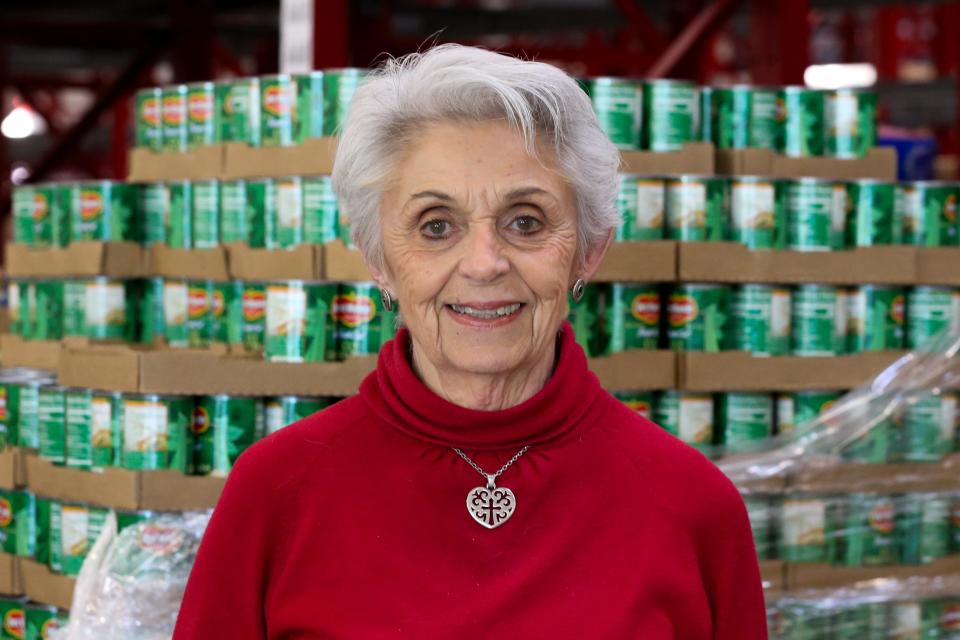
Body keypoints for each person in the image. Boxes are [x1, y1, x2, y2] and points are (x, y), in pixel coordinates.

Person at [174, 44, 767, 639]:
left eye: (526, 222)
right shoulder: (275, 494)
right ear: (378, 258)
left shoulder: (693, 506)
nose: (484, 264)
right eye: (436, 226)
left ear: (589, 249)